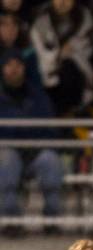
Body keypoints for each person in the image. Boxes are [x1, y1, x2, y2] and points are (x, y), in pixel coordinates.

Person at [0, 49, 64, 217]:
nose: (14, 69)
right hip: (7, 152)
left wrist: (22, 134)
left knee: (50, 160)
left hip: (35, 151)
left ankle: (53, 218)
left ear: (24, 68)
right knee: (7, 159)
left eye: (18, 65)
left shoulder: (39, 96)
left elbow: (49, 130)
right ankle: (10, 218)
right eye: (9, 65)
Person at [29, 0, 93, 117]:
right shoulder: (40, 19)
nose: (63, 2)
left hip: (78, 73)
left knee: (69, 67)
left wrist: (66, 52)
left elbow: (86, 47)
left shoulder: (84, 17)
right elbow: (39, 50)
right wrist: (58, 55)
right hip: (45, 73)